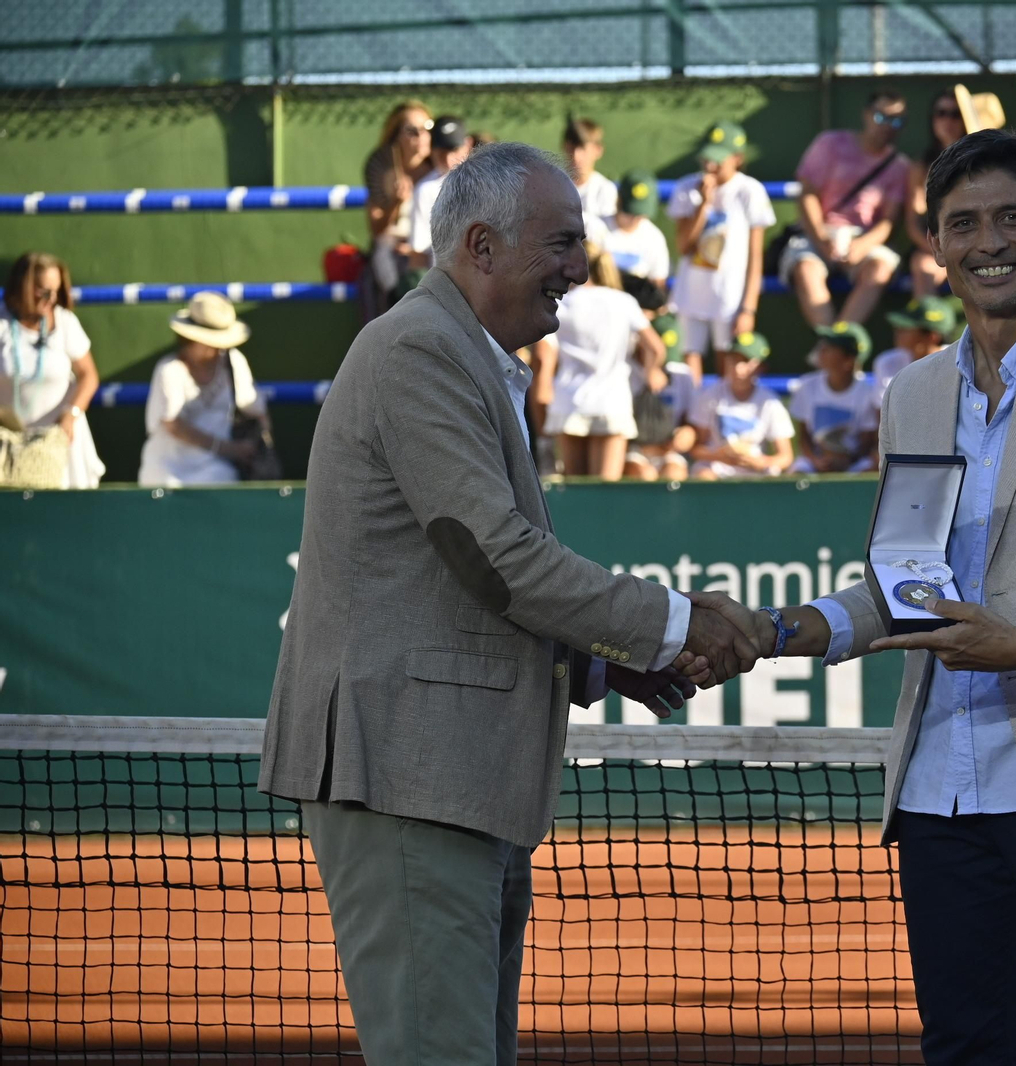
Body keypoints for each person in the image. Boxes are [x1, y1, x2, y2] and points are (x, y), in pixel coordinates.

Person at [692, 129, 1016, 1065]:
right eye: (962, 223)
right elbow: (907, 585)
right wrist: (773, 631)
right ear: (933, 245)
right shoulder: (914, 391)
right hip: (940, 795)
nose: (988, 241)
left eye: (1012, 216)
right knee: (967, 1048)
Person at [259, 142, 757, 1066]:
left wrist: (606, 660)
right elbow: (498, 560)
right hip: (412, 773)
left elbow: (460, 585)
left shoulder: (463, 352)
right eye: (561, 242)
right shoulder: (419, 348)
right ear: (481, 247)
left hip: (452, 779)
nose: (579, 266)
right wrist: (678, 623)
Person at [533, 241, 665, 481]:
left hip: (569, 403)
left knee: (576, 494)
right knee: (606, 497)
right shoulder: (624, 302)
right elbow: (655, 347)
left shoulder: (558, 304)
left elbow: (544, 358)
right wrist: (652, 372)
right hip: (611, 402)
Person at [781, 92, 911, 326]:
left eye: (896, 120)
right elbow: (807, 194)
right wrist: (821, 238)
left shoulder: (900, 166)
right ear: (866, 115)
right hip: (819, 231)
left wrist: (863, 245)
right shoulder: (830, 143)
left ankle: (837, 343)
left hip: (864, 239)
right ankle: (835, 347)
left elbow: (888, 221)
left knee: (880, 270)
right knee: (805, 268)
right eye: (881, 117)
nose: (887, 126)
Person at [667, 121, 775, 388]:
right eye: (707, 158)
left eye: (718, 160)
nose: (710, 165)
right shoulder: (686, 187)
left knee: (729, 367)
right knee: (688, 366)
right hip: (690, 295)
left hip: (730, 299)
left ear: (737, 159)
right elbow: (683, 246)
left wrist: (748, 308)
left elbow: (755, 257)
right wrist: (703, 204)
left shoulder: (750, 191)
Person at [137, 293, 271, 488]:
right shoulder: (169, 370)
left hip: (217, 470)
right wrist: (229, 449)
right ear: (188, 340)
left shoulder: (234, 362)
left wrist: (262, 447)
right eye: (210, 344)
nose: (217, 351)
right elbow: (173, 425)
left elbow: (256, 408)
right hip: (167, 470)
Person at [0, 252, 105, 488]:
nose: (51, 298)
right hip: (6, 449)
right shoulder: (2, 323)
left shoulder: (65, 322)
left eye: (56, 291)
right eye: (42, 290)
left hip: (59, 444)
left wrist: (72, 413)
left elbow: (88, 375)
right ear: (22, 286)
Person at [687, 331, 794, 480]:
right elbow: (696, 448)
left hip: (755, 471)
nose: (738, 368)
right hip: (717, 467)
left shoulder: (770, 402)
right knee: (703, 475)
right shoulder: (710, 395)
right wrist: (719, 456)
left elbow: (786, 456)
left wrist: (761, 462)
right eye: (734, 360)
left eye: (745, 361)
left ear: (761, 367)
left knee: (772, 478)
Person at [362, 101, 433, 309]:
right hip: (392, 256)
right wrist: (396, 202)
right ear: (396, 136)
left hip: (430, 253)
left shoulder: (439, 171)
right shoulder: (383, 172)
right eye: (412, 131)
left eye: (427, 128)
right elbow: (377, 230)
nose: (421, 137)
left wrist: (415, 248)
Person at [905, 88, 973, 297]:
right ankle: (930, 327)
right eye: (941, 113)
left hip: (977, 244)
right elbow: (913, 223)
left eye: (955, 114)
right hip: (938, 247)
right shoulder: (921, 167)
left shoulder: (982, 164)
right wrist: (939, 250)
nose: (948, 121)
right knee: (922, 266)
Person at [788, 321, 880, 474]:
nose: (821, 350)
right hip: (816, 460)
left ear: (849, 361)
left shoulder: (867, 393)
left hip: (852, 463)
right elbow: (803, 437)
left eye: (830, 347)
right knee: (798, 471)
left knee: (870, 469)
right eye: (823, 345)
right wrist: (815, 460)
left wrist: (846, 461)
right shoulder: (807, 386)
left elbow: (867, 442)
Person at [624, 313, 697, 482]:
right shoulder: (624, 372)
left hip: (670, 453)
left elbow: (692, 423)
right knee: (644, 476)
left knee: (674, 475)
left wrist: (688, 434)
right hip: (635, 451)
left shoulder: (683, 375)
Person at [408, 115, 471, 269]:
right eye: (441, 152)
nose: (449, 159)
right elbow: (419, 252)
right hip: (445, 284)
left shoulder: (488, 183)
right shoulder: (424, 190)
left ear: (468, 144)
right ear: (432, 150)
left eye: (455, 149)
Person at [873, 294, 961, 400]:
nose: (897, 331)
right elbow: (883, 413)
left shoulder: (960, 363)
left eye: (906, 327)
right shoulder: (888, 362)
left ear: (932, 336)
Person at [605, 169, 672, 291]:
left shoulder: (654, 237)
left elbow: (657, 283)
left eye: (641, 213)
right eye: (630, 211)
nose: (635, 218)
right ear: (618, 201)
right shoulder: (595, 227)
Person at [562, 116, 617, 222]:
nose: (576, 155)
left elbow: (604, 235)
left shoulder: (605, 190)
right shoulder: (552, 185)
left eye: (582, 148)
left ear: (598, 150)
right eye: (571, 148)